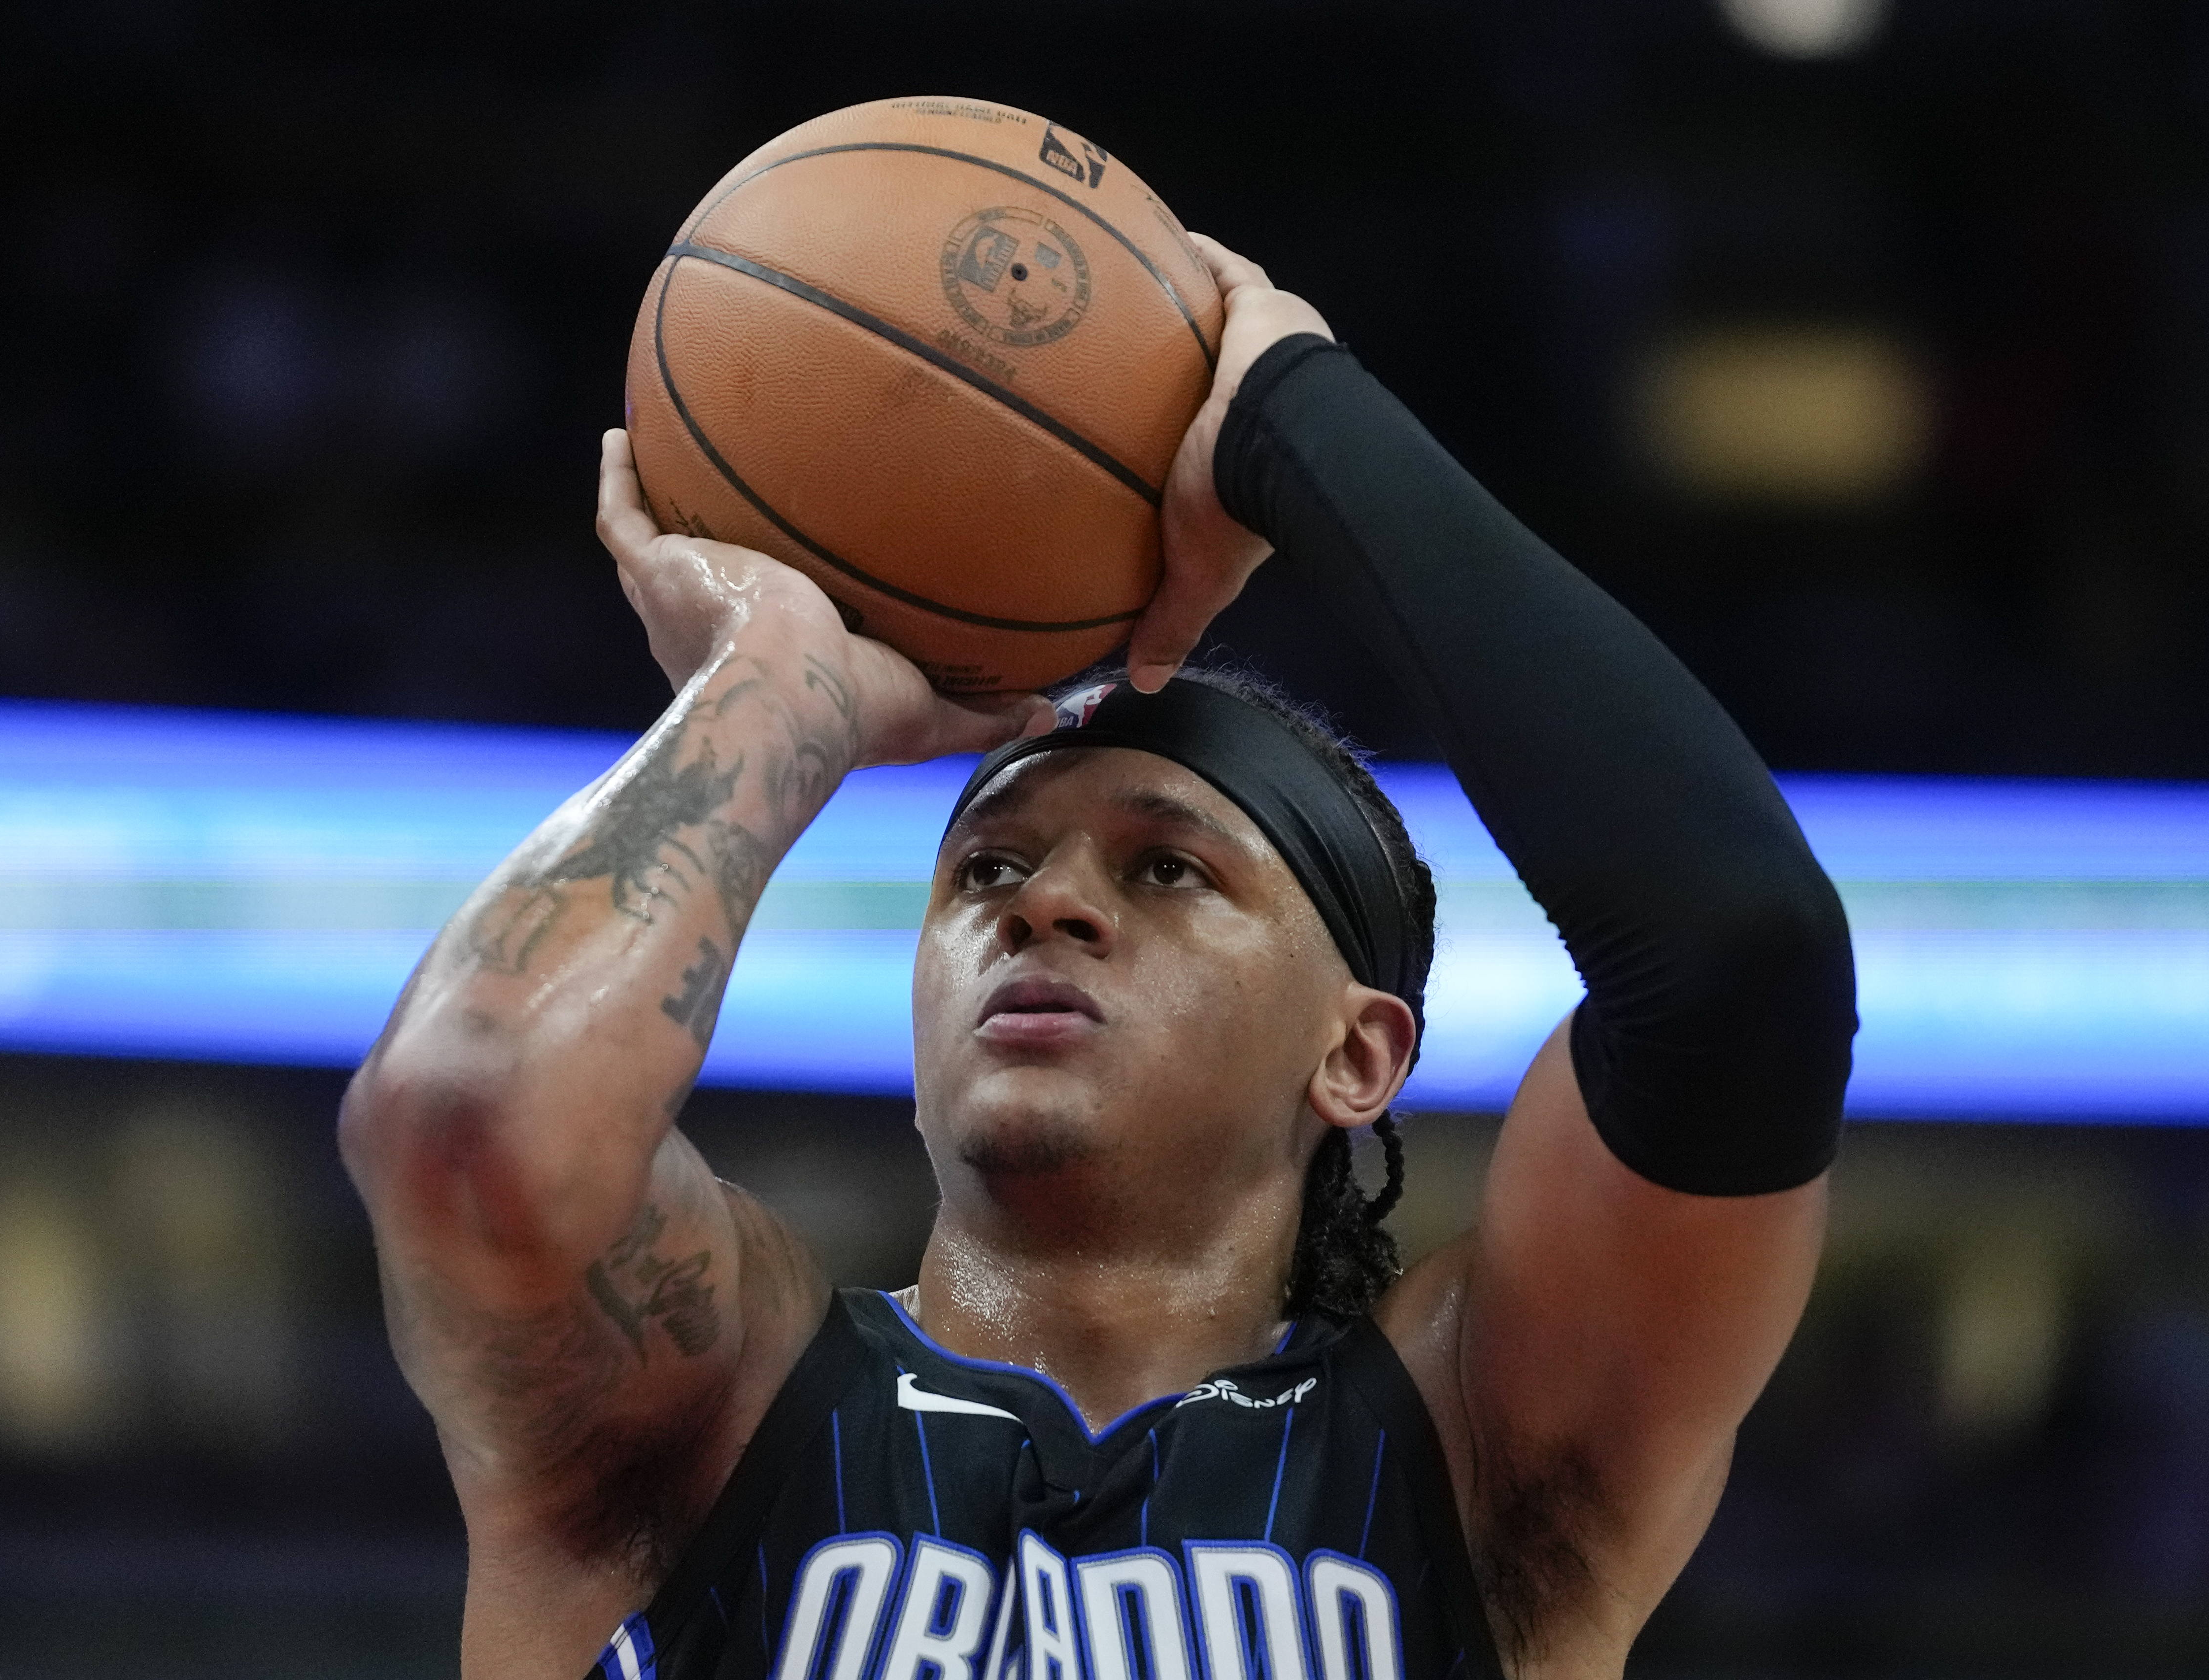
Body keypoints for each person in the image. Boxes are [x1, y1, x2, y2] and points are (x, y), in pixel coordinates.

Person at [337, 237, 1857, 1680]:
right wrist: (778, 687)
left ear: (1358, 1052)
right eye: (986, 866)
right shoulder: (709, 1398)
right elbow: (469, 1113)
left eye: (1167, 867)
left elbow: (1741, 958)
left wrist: (1292, 417)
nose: (1042, 903)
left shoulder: (1474, 1448)